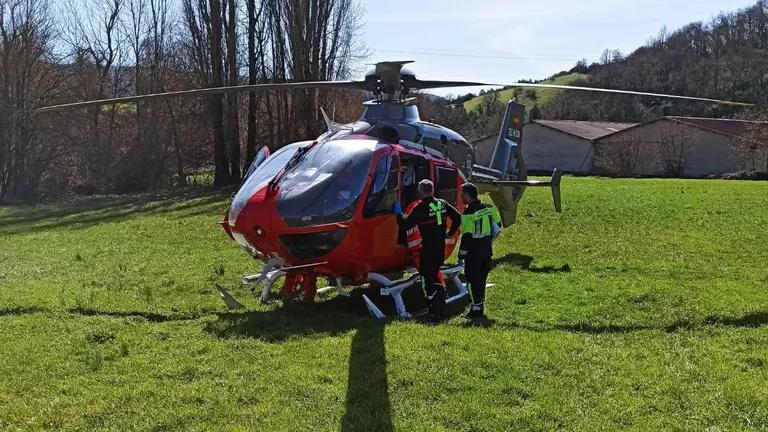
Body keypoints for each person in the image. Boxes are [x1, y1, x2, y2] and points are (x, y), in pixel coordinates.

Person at [395, 179, 461, 321]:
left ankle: (433, 312)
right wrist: (450, 233)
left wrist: (397, 214)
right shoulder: (442, 203)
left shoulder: (420, 208)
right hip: (440, 249)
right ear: (432, 190)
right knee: (436, 273)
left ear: (420, 191)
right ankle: (442, 307)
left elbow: (405, 226)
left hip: (427, 249)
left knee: (428, 279)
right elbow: (457, 217)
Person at [458, 182, 502, 319]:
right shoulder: (488, 207)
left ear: (467, 194)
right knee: (481, 280)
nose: (460, 196)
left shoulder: (468, 213)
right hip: (486, 251)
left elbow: (467, 236)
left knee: (471, 281)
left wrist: (461, 254)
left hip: (473, 253)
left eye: (461, 193)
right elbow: (498, 224)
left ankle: (475, 309)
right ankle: (480, 307)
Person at [401, 184, 446, 289]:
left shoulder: (413, 207)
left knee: (427, 275)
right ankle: (442, 291)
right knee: (434, 271)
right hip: (431, 245)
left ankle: (435, 296)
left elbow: (403, 225)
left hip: (419, 248)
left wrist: (397, 214)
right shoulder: (432, 205)